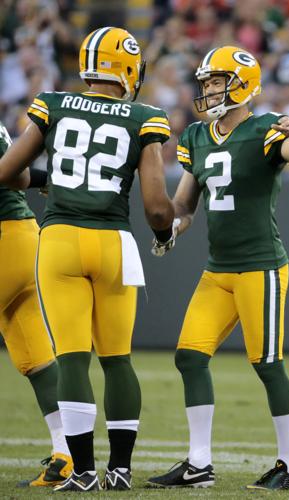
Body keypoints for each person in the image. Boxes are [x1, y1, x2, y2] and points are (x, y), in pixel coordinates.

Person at [148, 46, 289, 490]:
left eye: (216, 81)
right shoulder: (196, 135)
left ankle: (288, 467)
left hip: (260, 267)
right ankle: (198, 463)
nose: (208, 89)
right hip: (219, 269)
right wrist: (171, 226)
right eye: (206, 82)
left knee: (267, 363)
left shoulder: (266, 129)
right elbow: (187, 204)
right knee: (190, 356)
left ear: (242, 83)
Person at [0, 27, 175, 492]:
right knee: (118, 360)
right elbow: (158, 205)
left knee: (73, 360)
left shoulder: (53, 104)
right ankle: (119, 471)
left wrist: (54, 179)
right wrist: (163, 235)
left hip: (59, 241)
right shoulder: (145, 116)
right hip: (114, 243)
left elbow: (6, 172)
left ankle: (81, 473)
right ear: (129, 69)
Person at [0, 121, 73, 488]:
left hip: (6, 238)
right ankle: (66, 455)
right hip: (21, 238)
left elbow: (13, 174)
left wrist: (45, 179)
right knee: (36, 360)